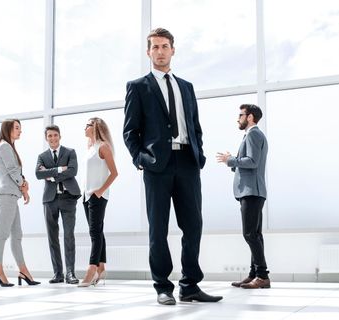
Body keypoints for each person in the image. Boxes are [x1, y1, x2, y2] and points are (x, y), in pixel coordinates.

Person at [123, 28, 222, 305]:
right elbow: (130, 132)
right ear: (148, 52)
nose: (160, 51)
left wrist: (199, 155)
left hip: (188, 162)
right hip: (157, 166)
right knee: (158, 228)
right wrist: (141, 160)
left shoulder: (186, 87)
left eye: (164, 46)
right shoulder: (138, 86)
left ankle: (190, 285)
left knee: (193, 226)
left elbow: (195, 127)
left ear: (173, 50)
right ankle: (162, 287)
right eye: (155, 47)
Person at [216, 104, 270, 289]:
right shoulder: (252, 135)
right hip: (254, 191)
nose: (238, 118)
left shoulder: (254, 134)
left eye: (241, 115)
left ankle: (262, 275)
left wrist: (230, 160)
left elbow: (252, 162)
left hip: (251, 191)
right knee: (255, 234)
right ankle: (254, 273)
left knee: (250, 234)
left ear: (250, 117)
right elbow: (247, 162)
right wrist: (233, 161)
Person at [0, 119, 40, 287]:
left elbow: (15, 172)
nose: (20, 131)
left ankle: (23, 270)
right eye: (17, 128)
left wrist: (24, 185)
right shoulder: (4, 146)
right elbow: (14, 172)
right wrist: (25, 188)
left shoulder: (9, 147)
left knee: (17, 236)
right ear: (8, 129)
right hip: (7, 196)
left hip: (12, 196)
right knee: (2, 234)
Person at [36, 125, 81, 284]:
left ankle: (70, 273)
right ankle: (58, 273)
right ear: (46, 138)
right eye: (49, 136)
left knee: (69, 235)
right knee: (52, 237)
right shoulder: (42, 156)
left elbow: (72, 171)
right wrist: (60, 169)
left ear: (60, 136)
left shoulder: (70, 152)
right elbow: (38, 174)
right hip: (50, 200)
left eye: (55, 135)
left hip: (68, 198)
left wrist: (52, 175)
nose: (53, 138)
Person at [79, 117, 118, 287]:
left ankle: (91, 269)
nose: (85, 127)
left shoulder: (103, 147)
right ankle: (101, 268)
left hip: (98, 196)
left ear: (95, 127)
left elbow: (114, 173)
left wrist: (100, 191)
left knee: (94, 233)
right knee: (97, 232)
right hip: (86, 196)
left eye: (87, 124)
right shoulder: (90, 148)